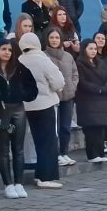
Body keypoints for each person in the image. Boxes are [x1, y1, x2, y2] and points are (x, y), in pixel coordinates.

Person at [0, 40, 36, 199]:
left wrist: (21, 94)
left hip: (18, 109)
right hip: (0, 111)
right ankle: (8, 184)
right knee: (3, 150)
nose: (7, 52)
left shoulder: (20, 68)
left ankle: (19, 183)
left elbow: (33, 88)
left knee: (18, 148)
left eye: (10, 50)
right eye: (3, 49)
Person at [15, 33, 65, 188]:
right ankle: (46, 176)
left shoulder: (18, 61)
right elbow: (58, 82)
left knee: (35, 140)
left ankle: (39, 174)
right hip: (45, 104)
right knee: (48, 141)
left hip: (26, 106)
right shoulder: (43, 60)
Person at [43, 27, 79, 166]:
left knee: (65, 127)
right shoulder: (43, 56)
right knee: (54, 128)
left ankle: (64, 153)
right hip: (53, 98)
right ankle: (56, 154)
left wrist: (73, 86)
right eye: (51, 37)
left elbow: (75, 73)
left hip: (68, 97)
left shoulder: (68, 56)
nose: (54, 40)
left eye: (57, 38)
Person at [74, 38, 107, 164]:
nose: (93, 51)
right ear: (84, 49)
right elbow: (82, 82)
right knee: (91, 129)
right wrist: (98, 89)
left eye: (95, 49)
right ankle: (92, 154)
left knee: (100, 128)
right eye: (90, 48)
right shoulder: (79, 63)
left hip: (101, 100)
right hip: (87, 100)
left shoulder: (101, 63)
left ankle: (100, 152)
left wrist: (105, 89)